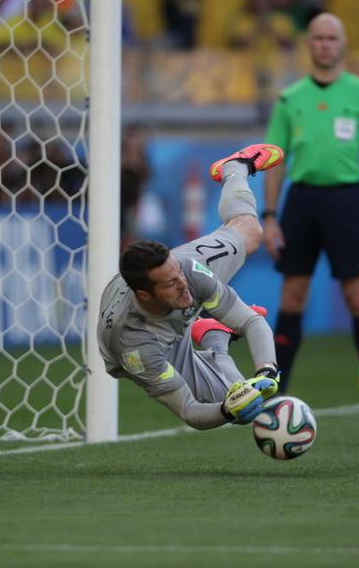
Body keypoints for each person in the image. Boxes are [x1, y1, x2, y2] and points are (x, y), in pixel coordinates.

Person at [97, 144, 285, 429]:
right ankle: (214, 337)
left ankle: (234, 167)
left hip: (170, 285)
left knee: (249, 230)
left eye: (178, 275)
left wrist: (267, 372)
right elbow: (189, 410)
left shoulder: (187, 271)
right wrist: (226, 410)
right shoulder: (136, 346)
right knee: (236, 396)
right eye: (171, 284)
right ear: (146, 294)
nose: (184, 287)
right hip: (158, 340)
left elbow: (250, 321)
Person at [261, 13, 359, 412]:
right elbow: (275, 160)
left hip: (345, 200)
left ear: (343, 43)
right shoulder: (289, 99)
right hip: (301, 200)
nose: (324, 44)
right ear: (308, 44)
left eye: (331, 38)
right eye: (318, 37)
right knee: (293, 293)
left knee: (358, 296)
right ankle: (277, 386)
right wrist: (269, 215)